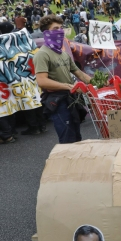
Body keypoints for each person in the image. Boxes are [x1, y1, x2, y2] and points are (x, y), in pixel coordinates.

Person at [32, 15, 91, 144]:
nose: (60, 31)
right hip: (57, 101)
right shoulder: (42, 54)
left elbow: (79, 73)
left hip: (71, 98)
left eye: (61, 27)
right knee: (67, 139)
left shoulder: (63, 53)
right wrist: (68, 86)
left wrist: (98, 83)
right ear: (47, 32)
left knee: (77, 137)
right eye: (56, 28)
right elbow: (42, 81)